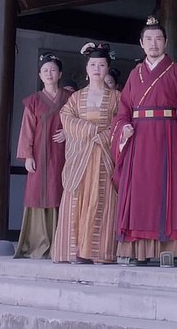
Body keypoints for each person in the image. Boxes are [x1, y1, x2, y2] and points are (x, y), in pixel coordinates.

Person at [111, 16, 177, 265]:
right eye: (148, 39)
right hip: (138, 140)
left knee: (165, 194)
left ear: (166, 42)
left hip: (167, 140)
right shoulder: (135, 74)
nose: (153, 44)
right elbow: (123, 111)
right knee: (140, 194)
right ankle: (139, 252)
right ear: (141, 43)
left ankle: (166, 251)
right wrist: (123, 128)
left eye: (158, 39)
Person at [52, 43, 120, 264]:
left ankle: (99, 252)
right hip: (81, 154)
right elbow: (66, 117)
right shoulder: (76, 97)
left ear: (107, 68)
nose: (97, 69)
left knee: (103, 198)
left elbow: (121, 121)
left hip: (104, 155)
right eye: (93, 65)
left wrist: (105, 135)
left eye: (101, 65)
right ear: (87, 68)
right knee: (76, 198)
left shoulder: (117, 97)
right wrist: (90, 130)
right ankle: (74, 251)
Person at [14, 53, 71, 259]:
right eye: (45, 70)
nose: (49, 74)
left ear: (60, 74)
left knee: (61, 189)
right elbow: (27, 130)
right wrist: (28, 155)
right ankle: (38, 242)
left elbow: (78, 121)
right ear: (40, 75)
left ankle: (60, 243)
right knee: (37, 192)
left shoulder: (70, 98)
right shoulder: (34, 101)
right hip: (39, 153)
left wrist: (68, 132)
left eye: (53, 70)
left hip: (64, 152)